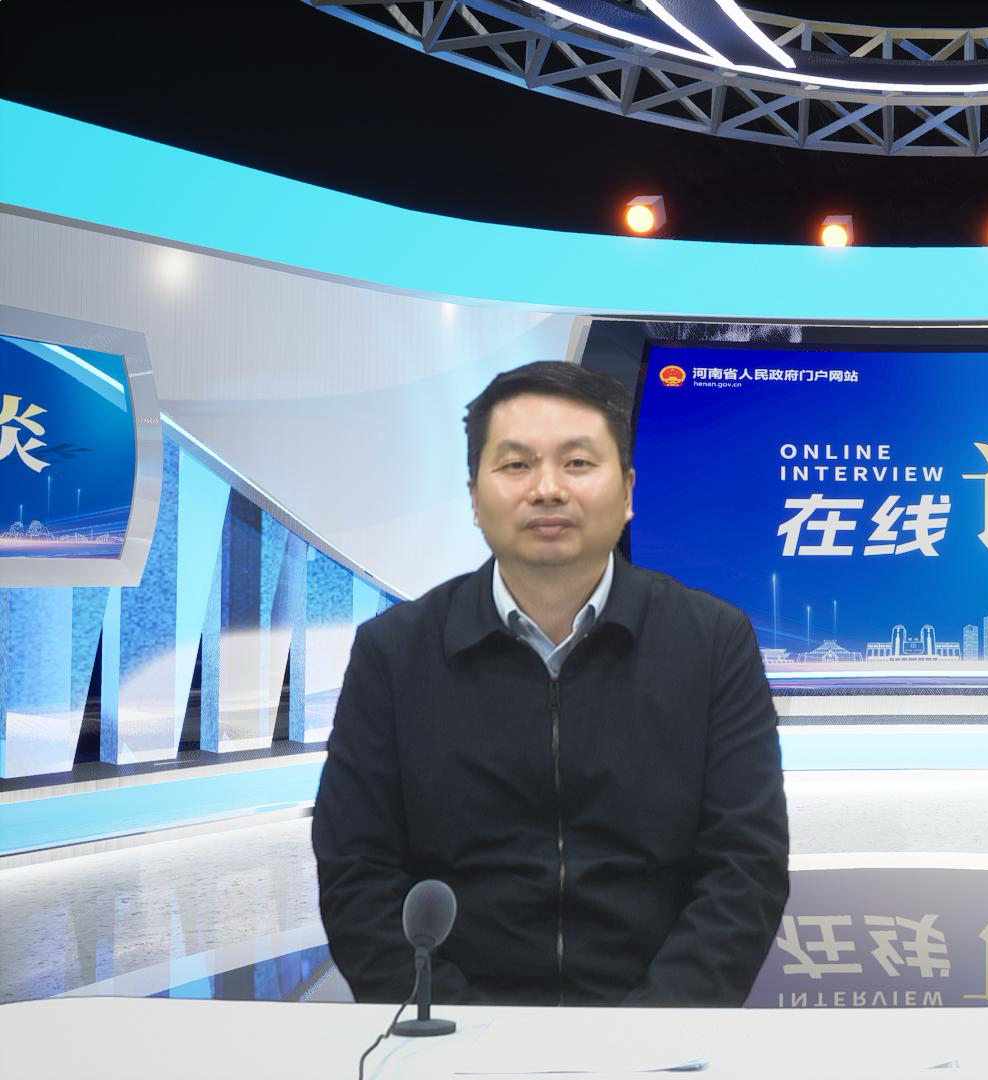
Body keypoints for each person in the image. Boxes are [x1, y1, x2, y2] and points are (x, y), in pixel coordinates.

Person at [313, 361, 789, 1007]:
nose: (547, 489)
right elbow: (355, 873)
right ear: (474, 497)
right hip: (451, 1032)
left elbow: (746, 867)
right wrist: (463, 1033)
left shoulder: (711, 643)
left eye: (578, 463)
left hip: (660, 1030)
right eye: (515, 465)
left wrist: (652, 1031)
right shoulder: (395, 652)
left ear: (627, 491)